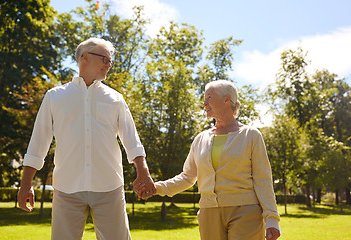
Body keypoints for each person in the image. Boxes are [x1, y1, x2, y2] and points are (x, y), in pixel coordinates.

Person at [18, 37, 156, 240]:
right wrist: (25, 184)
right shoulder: (55, 97)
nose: (109, 65)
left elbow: (131, 140)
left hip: (109, 186)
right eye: (105, 59)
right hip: (67, 188)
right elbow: (39, 142)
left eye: (110, 61)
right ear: (84, 58)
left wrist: (143, 172)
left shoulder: (115, 99)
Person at [146, 80, 281, 240]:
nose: (204, 103)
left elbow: (263, 179)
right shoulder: (200, 139)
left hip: (246, 211)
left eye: (209, 97)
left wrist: (272, 219)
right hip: (208, 211)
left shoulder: (251, 135)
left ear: (226, 99)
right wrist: (157, 188)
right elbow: (187, 177)